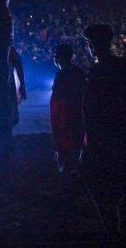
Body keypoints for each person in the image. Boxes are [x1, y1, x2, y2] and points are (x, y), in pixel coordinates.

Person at [80, 24, 126, 233]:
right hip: (121, 134)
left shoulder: (99, 71)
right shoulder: (122, 67)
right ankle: (120, 224)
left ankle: (113, 227)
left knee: (99, 180)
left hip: (104, 136)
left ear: (92, 45)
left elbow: (93, 107)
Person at [50, 44, 86, 176]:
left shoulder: (63, 75)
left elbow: (61, 99)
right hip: (75, 118)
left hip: (65, 119)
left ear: (59, 58)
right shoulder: (78, 73)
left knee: (66, 150)